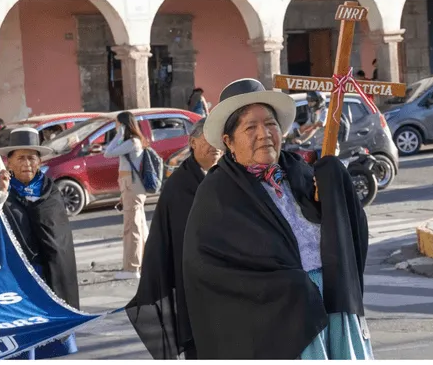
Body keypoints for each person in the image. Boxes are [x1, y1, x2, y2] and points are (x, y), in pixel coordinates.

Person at [182, 78, 372, 359]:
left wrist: (333, 186)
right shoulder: (217, 194)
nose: (264, 133)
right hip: (281, 318)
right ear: (228, 141)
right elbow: (207, 269)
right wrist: (288, 287)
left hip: (333, 301)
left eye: (270, 124)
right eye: (250, 127)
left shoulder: (300, 172)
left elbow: (343, 230)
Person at [125, 118, 222, 360]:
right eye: (208, 140)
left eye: (219, 140)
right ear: (193, 143)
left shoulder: (228, 176)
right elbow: (177, 241)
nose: (216, 146)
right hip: (195, 287)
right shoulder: (180, 186)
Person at [0, 127, 80, 359]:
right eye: (20, 158)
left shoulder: (50, 193)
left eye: (32, 158)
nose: (27, 164)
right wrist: (1, 196)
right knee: (24, 343)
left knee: (50, 344)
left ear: (40, 162)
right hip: (17, 280)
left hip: (49, 276)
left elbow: (59, 241)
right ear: (8, 162)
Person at [103, 111, 150, 280]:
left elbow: (108, 153)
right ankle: (144, 262)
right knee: (140, 226)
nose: (115, 127)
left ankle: (132, 269)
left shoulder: (132, 142)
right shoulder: (131, 142)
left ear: (124, 125)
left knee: (132, 228)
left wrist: (119, 135)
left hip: (132, 187)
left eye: (117, 124)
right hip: (131, 187)